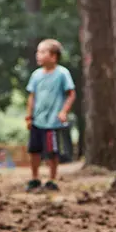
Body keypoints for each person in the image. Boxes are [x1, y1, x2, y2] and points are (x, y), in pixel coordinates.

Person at [25, 38, 76, 192]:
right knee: (34, 150)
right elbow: (32, 96)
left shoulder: (62, 73)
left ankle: (52, 179)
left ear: (53, 56)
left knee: (52, 152)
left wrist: (64, 111)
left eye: (42, 52)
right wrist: (29, 116)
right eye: (38, 52)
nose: (38, 55)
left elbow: (71, 94)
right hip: (37, 120)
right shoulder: (36, 75)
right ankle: (35, 178)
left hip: (52, 122)